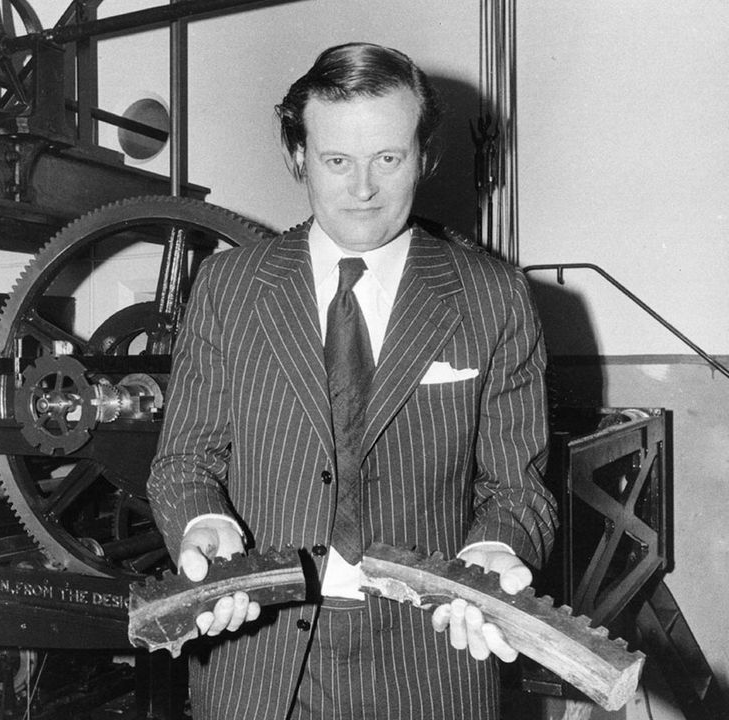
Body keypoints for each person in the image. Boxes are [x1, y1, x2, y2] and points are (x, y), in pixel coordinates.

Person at [147, 42, 559, 719]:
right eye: (336, 160)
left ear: (425, 157)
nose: (362, 189)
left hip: (430, 666)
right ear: (297, 156)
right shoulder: (228, 287)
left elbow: (518, 488)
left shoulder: (494, 296)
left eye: (387, 159)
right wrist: (203, 521)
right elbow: (185, 460)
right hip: (257, 658)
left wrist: (495, 546)